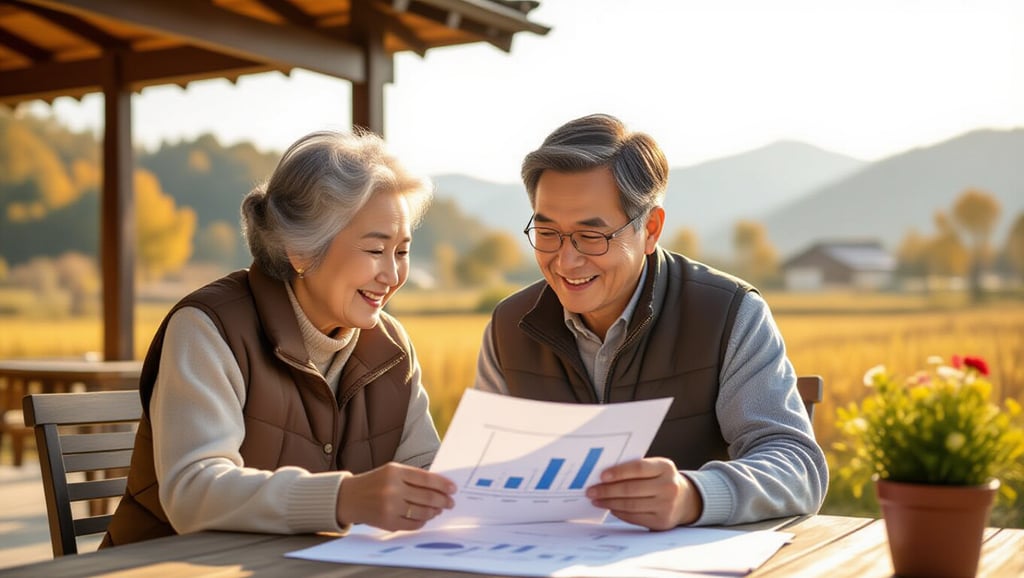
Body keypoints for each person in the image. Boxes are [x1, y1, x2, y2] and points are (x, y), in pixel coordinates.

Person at [474, 114, 828, 530]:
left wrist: (693, 496)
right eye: (548, 232)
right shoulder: (509, 326)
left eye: (592, 236)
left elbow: (798, 465)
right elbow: (483, 477)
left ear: (651, 229)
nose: (565, 261)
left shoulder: (728, 313)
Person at [103, 130, 456, 547]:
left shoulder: (391, 346)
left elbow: (425, 467)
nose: (393, 276)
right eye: (376, 250)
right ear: (301, 250)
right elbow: (193, 491)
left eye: (402, 251)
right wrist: (343, 498)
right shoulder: (209, 327)